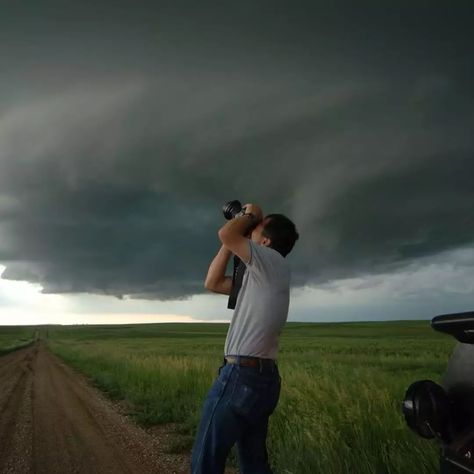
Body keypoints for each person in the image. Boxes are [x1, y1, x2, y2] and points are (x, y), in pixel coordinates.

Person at [191, 203, 299, 474]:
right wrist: (235, 238)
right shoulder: (262, 275)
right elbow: (213, 282)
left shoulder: (270, 261)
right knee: (253, 462)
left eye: (257, 228)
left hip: (242, 377)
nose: (251, 229)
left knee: (206, 459)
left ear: (265, 241)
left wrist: (250, 213)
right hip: (260, 379)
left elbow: (226, 234)